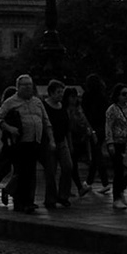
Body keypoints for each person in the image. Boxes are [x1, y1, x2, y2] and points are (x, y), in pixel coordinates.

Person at [0, 75, 51, 214]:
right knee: (21, 172)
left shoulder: (37, 102)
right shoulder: (11, 102)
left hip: (35, 141)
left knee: (31, 173)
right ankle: (19, 201)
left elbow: (45, 120)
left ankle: (28, 201)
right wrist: (10, 129)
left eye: (30, 85)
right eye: (24, 85)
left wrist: (51, 138)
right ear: (18, 87)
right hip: (19, 142)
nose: (27, 88)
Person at [41, 79, 73, 208]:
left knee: (68, 167)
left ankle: (63, 195)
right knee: (50, 171)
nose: (61, 95)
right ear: (51, 93)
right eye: (58, 92)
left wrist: (69, 143)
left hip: (61, 141)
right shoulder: (45, 106)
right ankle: (50, 198)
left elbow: (67, 127)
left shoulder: (62, 107)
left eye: (62, 92)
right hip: (49, 142)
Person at [81, 74, 111, 191]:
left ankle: (104, 182)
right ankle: (90, 181)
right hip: (103, 127)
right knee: (96, 153)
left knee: (97, 154)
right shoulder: (103, 96)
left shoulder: (87, 96)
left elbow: (85, 112)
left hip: (93, 127)